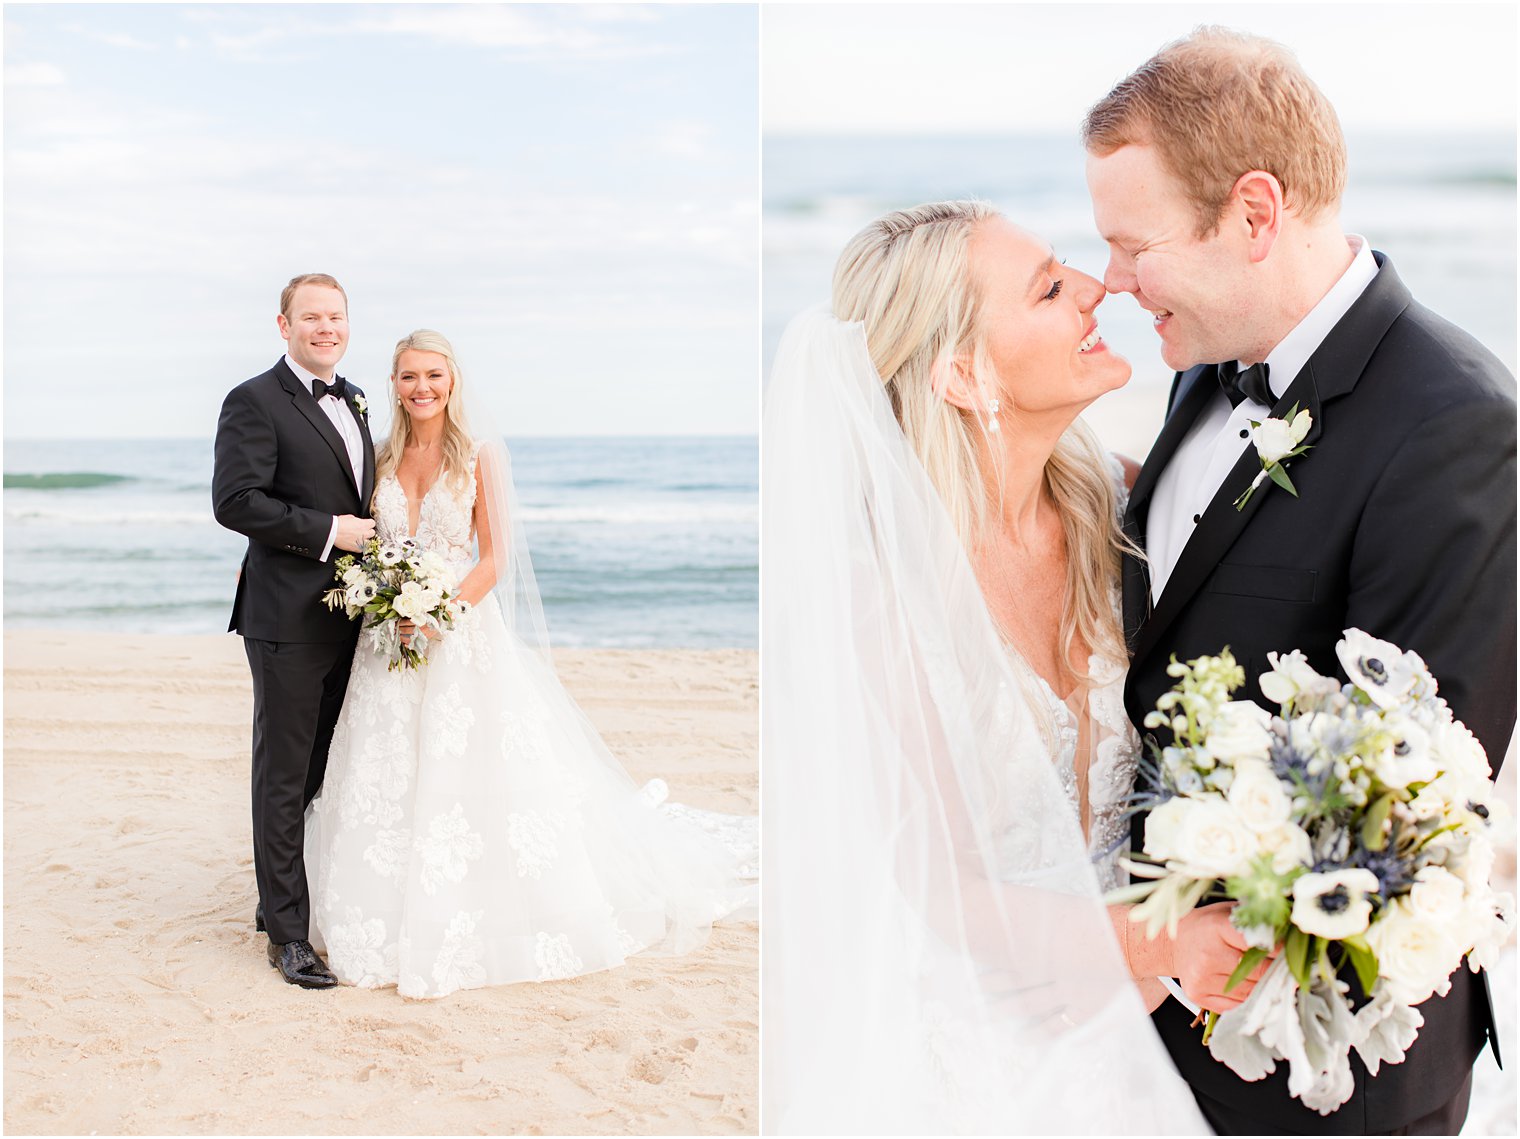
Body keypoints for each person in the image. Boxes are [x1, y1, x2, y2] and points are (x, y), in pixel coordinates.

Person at [1083, 27, 1516, 1134]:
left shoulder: (1452, 423)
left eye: (1132, 246)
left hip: (1312, 1062)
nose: (1110, 280)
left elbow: (1411, 786)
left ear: (1253, 214)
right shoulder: (1206, 364)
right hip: (1145, 1022)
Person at [763, 202, 1228, 1133]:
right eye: (1051, 288)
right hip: (977, 1042)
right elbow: (938, 890)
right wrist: (1156, 940)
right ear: (966, 374)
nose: (1099, 287)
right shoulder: (883, 594)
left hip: (1123, 1020)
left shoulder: (1121, 506)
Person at [303, 330, 755, 999]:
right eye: (407, 377)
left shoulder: (479, 456)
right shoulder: (381, 456)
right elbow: (373, 543)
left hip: (459, 633)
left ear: (452, 381)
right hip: (390, 637)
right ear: (394, 385)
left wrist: (436, 612)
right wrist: (390, 597)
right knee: (386, 770)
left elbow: (493, 559)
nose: (421, 388)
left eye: (432, 375)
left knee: (476, 774)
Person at [212, 273, 377, 989]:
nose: (325, 328)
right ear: (283, 326)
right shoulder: (253, 400)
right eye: (310, 317)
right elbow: (236, 501)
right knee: (283, 775)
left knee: (320, 772)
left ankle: (275, 898)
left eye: (334, 317)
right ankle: (287, 934)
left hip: (352, 617)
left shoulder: (358, 397)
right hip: (285, 616)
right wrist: (329, 531)